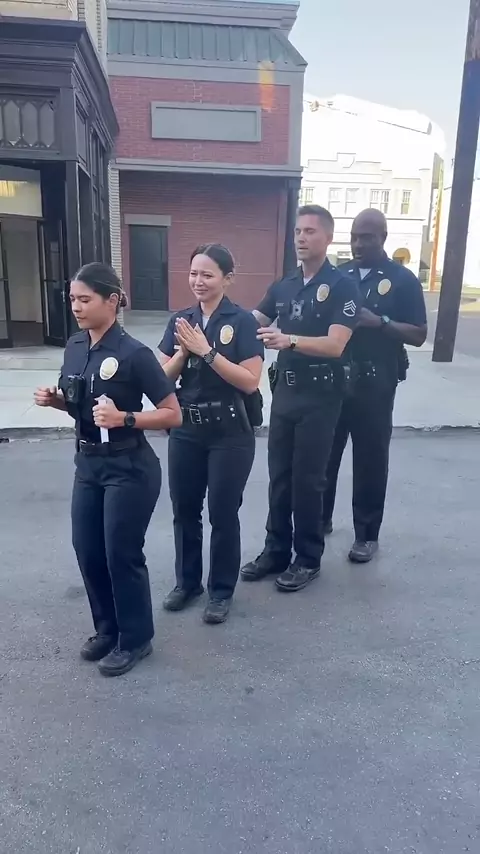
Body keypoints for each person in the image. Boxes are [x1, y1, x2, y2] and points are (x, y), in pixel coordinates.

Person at [34, 262, 182, 677]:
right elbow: (81, 405)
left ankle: (135, 639)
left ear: (112, 301)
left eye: (85, 299)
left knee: (121, 554)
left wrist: (126, 418)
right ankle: (107, 629)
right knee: (88, 549)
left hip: (129, 467)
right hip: (88, 464)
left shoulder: (134, 353)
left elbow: (173, 414)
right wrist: (56, 401)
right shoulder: (75, 346)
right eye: (72, 299)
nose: (76, 307)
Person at [240, 205, 360, 592]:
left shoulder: (342, 285)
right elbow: (252, 321)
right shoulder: (285, 284)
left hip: (321, 396)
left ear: (328, 237)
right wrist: (214, 319)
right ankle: (276, 551)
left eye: (310, 231)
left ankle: (308, 558)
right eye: (297, 231)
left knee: (308, 479)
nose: (301, 238)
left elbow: (336, 344)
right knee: (279, 476)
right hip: (286, 393)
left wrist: (289, 339)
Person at [158, 244, 264, 624]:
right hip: (186, 428)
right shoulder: (180, 320)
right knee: (185, 510)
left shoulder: (243, 321)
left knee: (222, 512)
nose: (198, 281)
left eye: (207, 274)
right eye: (193, 274)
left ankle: (220, 590)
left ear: (227, 278)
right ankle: (187, 583)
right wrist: (183, 354)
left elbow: (250, 381)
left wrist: (206, 351)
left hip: (229, 432)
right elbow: (160, 380)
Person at [322, 209, 427, 563]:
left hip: (375, 385)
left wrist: (379, 322)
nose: (358, 244)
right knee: (325, 455)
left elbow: (418, 333)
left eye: (366, 237)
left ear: (383, 237)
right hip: (335, 381)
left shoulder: (402, 280)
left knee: (370, 460)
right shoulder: (339, 275)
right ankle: (319, 520)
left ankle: (366, 535)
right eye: (354, 237)